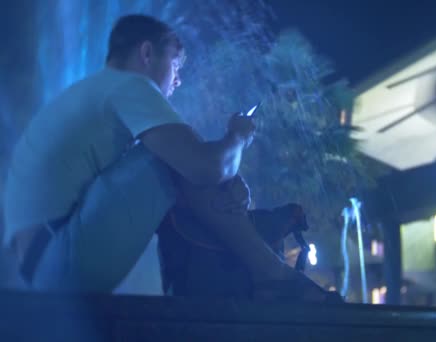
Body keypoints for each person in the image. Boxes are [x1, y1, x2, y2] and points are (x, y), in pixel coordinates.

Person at [2, 14, 332, 301]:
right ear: (147, 53)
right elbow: (206, 167)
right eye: (175, 64)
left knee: (174, 153)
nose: (178, 79)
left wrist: (224, 176)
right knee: (172, 157)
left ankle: (240, 276)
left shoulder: (97, 90)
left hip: (37, 260)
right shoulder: (130, 86)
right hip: (58, 258)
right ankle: (269, 273)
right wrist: (238, 137)